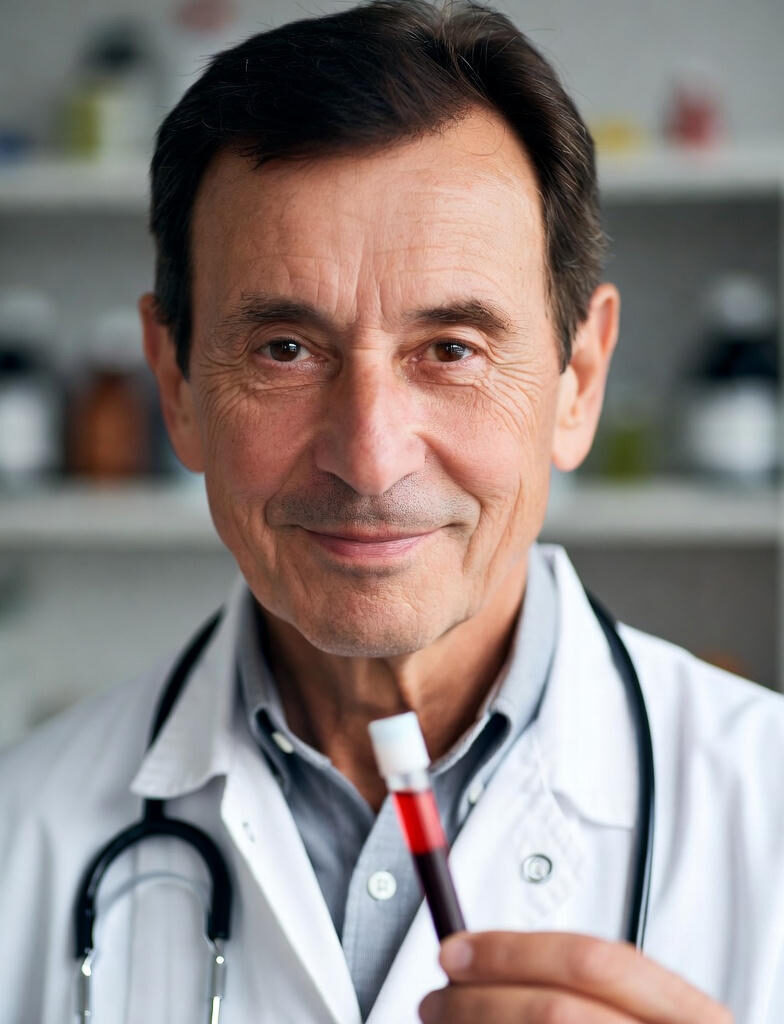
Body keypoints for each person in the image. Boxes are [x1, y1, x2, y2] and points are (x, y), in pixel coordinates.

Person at [1, 1, 782, 1021]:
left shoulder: (765, 802)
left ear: (579, 380)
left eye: (451, 349)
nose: (370, 458)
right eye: (286, 349)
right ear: (176, 385)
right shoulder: (22, 830)